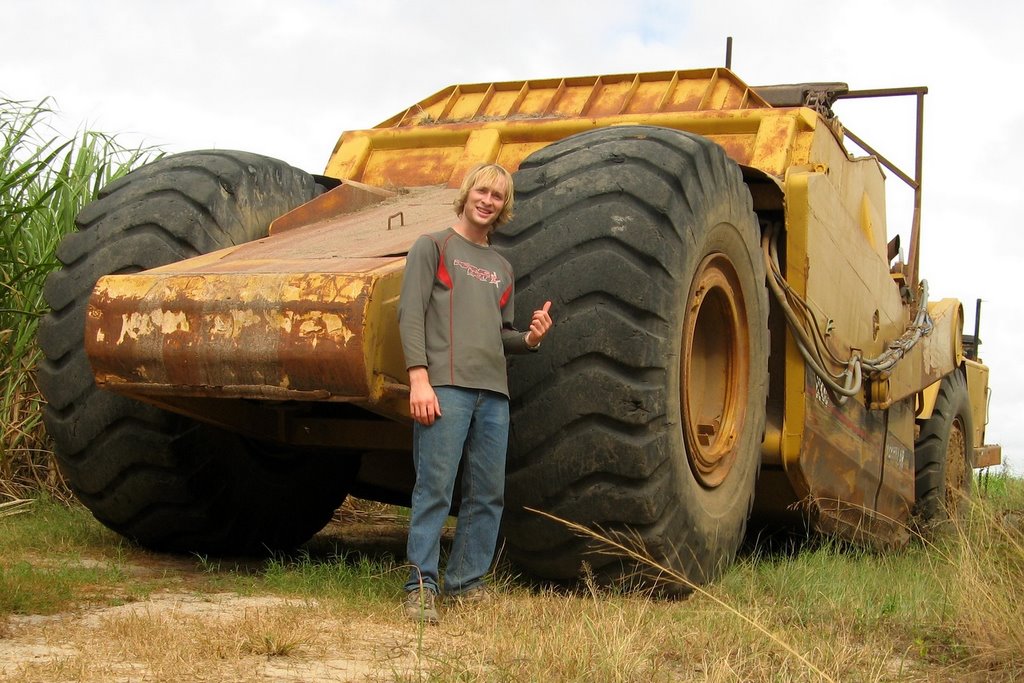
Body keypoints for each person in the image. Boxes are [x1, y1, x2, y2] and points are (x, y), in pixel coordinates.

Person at [397, 163, 553, 624]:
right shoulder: (433, 246)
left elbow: (500, 333)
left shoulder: (502, 268)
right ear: (467, 194)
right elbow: (409, 315)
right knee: (435, 489)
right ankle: (420, 585)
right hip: (445, 387)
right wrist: (418, 378)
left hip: (493, 393)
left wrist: (529, 340)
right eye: (482, 191)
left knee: (487, 494)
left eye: (498, 197)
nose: (488, 201)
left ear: (505, 207)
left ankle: (466, 582)